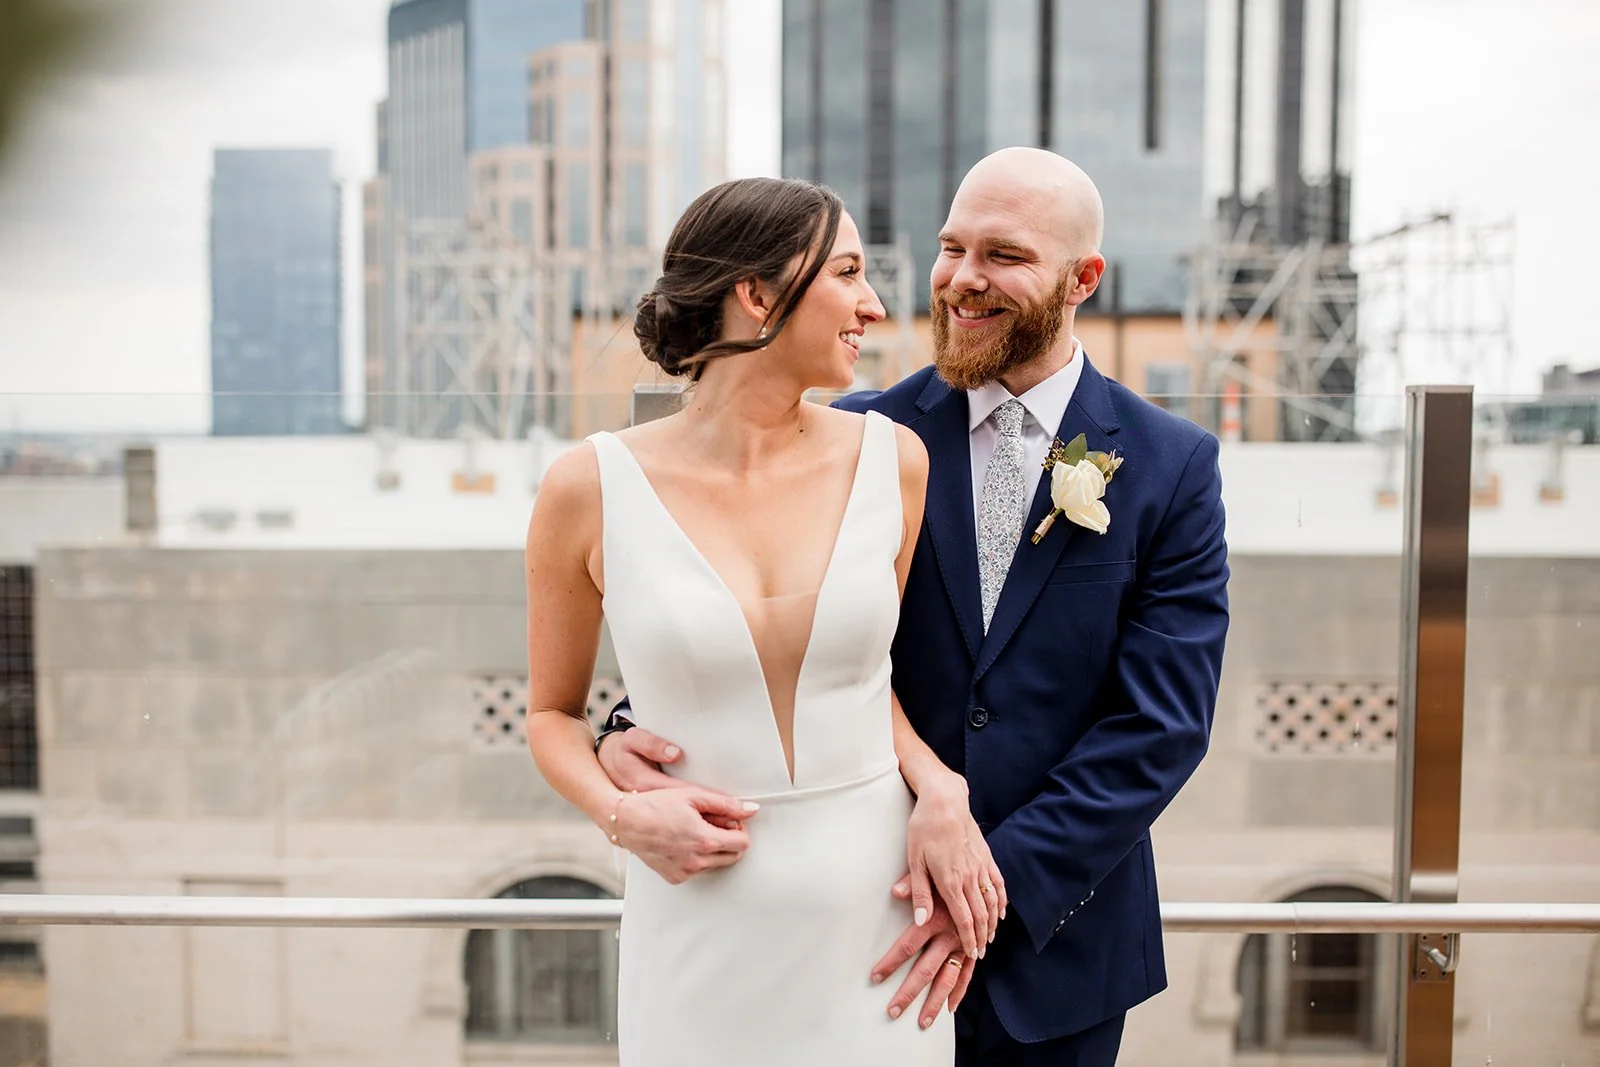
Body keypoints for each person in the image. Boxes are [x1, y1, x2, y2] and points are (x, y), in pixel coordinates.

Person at [597, 148, 1230, 1066]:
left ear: (1082, 278)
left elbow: (1162, 726)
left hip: (1061, 951)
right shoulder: (861, 441)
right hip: (858, 931)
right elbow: (762, 618)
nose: (961, 281)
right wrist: (628, 727)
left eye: (1003, 255)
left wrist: (991, 887)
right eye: (950, 247)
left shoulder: (1174, 465)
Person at [522, 176, 1008, 1067]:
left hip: (879, 924)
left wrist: (941, 786)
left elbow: (872, 681)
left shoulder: (893, 462)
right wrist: (621, 816)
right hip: (697, 917)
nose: (873, 304)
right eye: (849, 272)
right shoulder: (586, 488)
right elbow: (551, 717)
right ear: (758, 293)